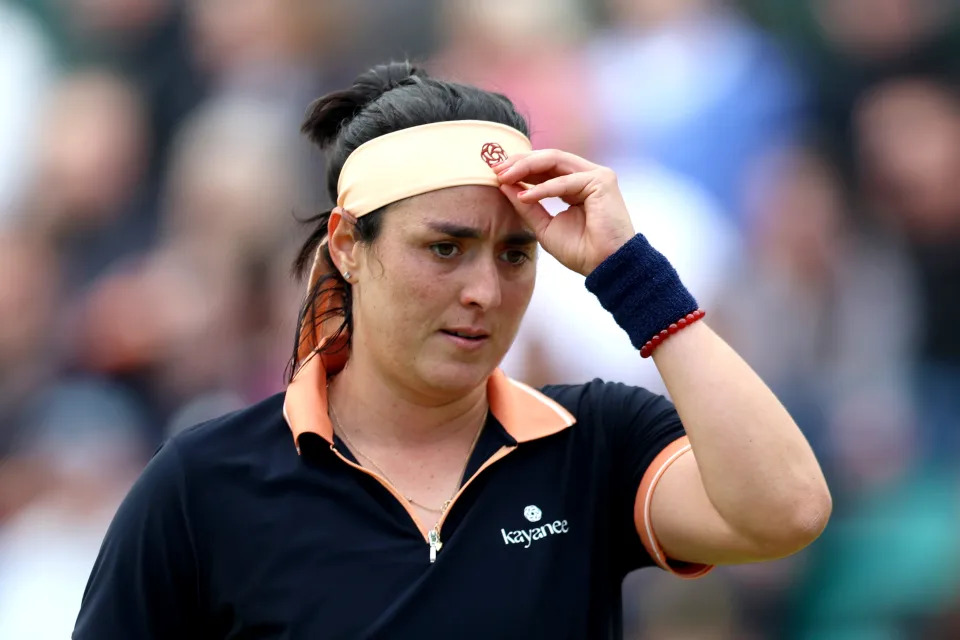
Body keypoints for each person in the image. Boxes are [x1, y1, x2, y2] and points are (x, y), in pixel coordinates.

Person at [73, 62, 831, 639]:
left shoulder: (594, 442)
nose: (485, 291)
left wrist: (629, 271)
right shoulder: (201, 486)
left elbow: (787, 509)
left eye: (514, 254)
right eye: (445, 248)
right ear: (348, 247)